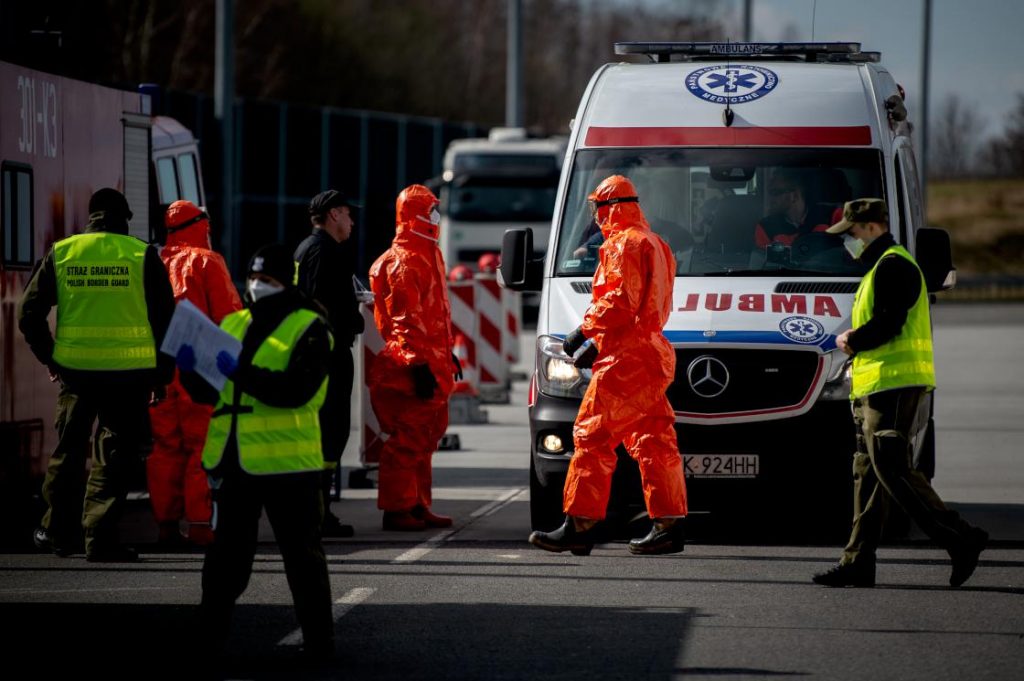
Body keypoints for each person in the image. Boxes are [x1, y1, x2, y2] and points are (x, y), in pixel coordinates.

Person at [812, 198, 988, 588]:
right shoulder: (881, 266)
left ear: (871, 227)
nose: (848, 242)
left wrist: (851, 340)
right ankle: (857, 561)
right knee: (869, 475)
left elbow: (889, 322)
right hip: (876, 385)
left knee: (892, 469)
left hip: (893, 385)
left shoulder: (894, 265)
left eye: (852, 233)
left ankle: (961, 538)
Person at [178, 244, 334, 659]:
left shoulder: (311, 327)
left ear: (287, 283)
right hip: (234, 462)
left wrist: (240, 369)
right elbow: (211, 391)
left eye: (268, 280)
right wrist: (190, 368)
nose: (257, 286)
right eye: (253, 278)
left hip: (287, 466)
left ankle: (319, 644)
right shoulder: (232, 322)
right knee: (225, 563)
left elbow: (295, 393)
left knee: (302, 560)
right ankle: (208, 640)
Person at [528, 175, 688, 556]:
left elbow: (619, 300)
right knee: (654, 439)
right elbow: (644, 307)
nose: (595, 218)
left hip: (626, 358)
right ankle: (667, 526)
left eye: (596, 209)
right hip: (650, 351)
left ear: (607, 208)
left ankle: (580, 525)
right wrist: (599, 341)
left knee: (591, 435)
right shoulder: (656, 243)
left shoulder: (622, 244)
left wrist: (582, 331)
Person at [17, 187, 175, 561]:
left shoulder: (64, 252)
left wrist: (50, 358)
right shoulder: (141, 255)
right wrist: (161, 376)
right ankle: (100, 540)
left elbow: (28, 313)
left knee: (68, 453)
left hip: (76, 373)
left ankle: (57, 534)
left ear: (90, 216)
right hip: (128, 376)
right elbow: (166, 321)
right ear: (124, 218)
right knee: (114, 455)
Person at [147, 201, 242, 548]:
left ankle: (167, 526)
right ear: (200, 224)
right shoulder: (207, 261)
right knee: (202, 447)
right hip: (198, 371)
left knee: (165, 449)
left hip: (161, 371)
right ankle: (201, 524)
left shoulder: (153, 261)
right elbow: (231, 319)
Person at [368, 184, 460, 531]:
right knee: (408, 439)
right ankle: (397, 508)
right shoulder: (404, 262)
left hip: (431, 363)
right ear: (415, 214)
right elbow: (404, 322)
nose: (437, 216)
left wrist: (445, 355)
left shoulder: (428, 253)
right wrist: (418, 365)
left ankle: (417, 503)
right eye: (431, 209)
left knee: (425, 438)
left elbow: (435, 315)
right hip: (412, 366)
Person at [294, 189, 364, 538]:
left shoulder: (307, 249)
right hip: (327, 356)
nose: (352, 222)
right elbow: (320, 305)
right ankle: (317, 514)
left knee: (324, 434)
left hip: (319, 354)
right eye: (349, 215)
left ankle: (318, 512)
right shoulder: (324, 252)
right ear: (334, 214)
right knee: (328, 433)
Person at [754, 169, 833, 249]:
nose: (770, 199)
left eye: (775, 192)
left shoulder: (831, 216)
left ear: (794, 195)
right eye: (770, 193)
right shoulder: (766, 227)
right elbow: (760, 260)